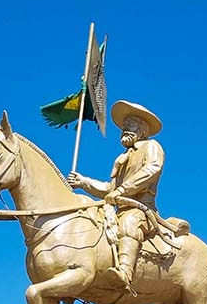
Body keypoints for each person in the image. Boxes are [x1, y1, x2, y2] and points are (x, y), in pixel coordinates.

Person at [67, 100, 164, 290]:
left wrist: (122, 190)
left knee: (129, 223)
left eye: (130, 125)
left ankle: (125, 273)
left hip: (140, 209)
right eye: (123, 126)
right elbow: (110, 188)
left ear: (142, 129)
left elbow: (152, 169)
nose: (124, 129)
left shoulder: (151, 146)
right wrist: (83, 182)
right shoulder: (123, 158)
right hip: (118, 207)